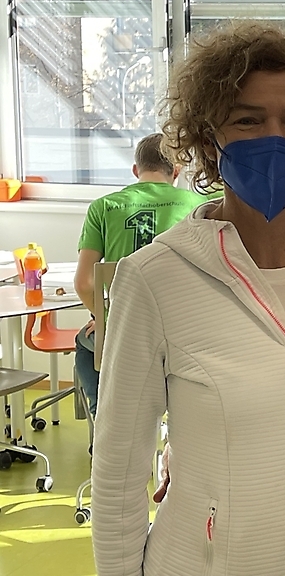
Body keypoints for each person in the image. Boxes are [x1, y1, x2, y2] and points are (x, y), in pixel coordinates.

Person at [90, 23, 285, 576]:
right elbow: (118, 471)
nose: (275, 139)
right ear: (208, 138)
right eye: (248, 120)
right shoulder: (155, 278)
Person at [73, 133, 204, 415]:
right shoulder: (198, 205)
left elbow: (84, 283)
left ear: (136, 170)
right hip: (184, 331)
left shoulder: (103, 207)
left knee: (84, 344)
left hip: (125, 329)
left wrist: (104, 319)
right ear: (176, 171)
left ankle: (103, 416)